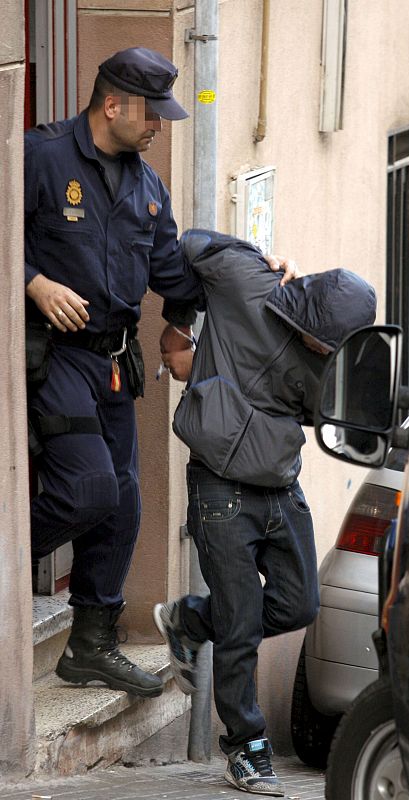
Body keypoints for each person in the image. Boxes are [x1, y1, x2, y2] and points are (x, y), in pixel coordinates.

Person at [25, 47, 295, 699]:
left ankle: (89, 642)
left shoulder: (147, 188)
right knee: (86, 490)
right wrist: (32, 283)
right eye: (151, 114)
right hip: (54, 356)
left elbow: (175, 273)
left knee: (122, 502)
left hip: (115, 362)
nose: (160, 128)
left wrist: (258, 273)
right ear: (112, 104)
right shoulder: (42, 155)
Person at [154, 229, 377, 796]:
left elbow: (328, 413)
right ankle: (246, 748)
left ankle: (189, 620)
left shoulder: (331, 361)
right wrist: (180, 329)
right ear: (309, 317)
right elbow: (186, 248)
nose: (330, 356)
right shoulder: (248, 280)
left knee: (298, 603)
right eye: (328, 344)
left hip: (280, 488)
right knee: (240, 622)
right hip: (221, 488)